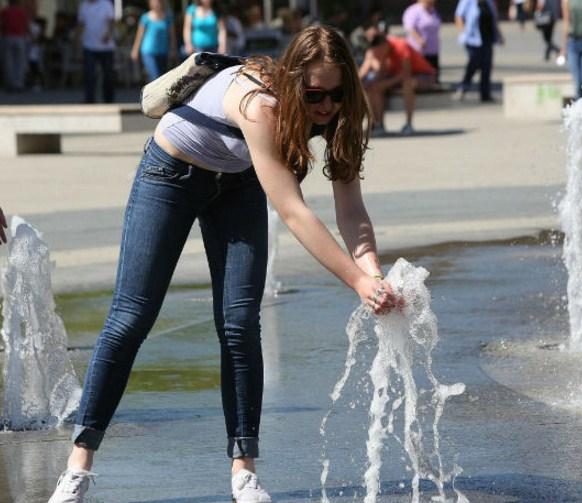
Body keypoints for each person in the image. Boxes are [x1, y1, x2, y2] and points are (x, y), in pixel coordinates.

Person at [46, 25, 399, 503]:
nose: (326, 107)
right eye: (315, 94)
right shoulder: (261, 104)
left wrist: (373, 271)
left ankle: (244, 472)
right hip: (171, 171)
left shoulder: (343, 116)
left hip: (238, 183)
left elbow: (351, 209)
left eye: (337, 94)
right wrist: (356, 281)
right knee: (131, 317)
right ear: (294, 82)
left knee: (239, 322)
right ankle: (79, 465)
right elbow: (293, 211)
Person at [358, 34, 436, 136]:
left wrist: (384, 84)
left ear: (385, 45)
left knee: (407, 84)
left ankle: (409, 124)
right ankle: (378, 124)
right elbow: (381, 73)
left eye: (380, 52)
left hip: (423, 75)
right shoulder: (380, 50)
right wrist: (373, 83)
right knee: (373, 86)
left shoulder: (401, 45)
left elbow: (405, 74)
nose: (379, 55)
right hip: (398, 76)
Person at [454, 0, 504, 103]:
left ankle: (485, 94)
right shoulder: (467, 1)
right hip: (472, 39)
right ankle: (463, 87)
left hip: (487, 38)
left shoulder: (489, 2)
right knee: (474, 64)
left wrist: (499, 35)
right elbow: (459, 16)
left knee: (486, 67)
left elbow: (494, 19)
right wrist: (463, 31)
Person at [78, 0, 116, 103]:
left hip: (106, 47)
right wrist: (79, 40)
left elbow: (111, 21)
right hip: (89, 45)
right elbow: (81, 23)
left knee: (107, 74)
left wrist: (108, 33)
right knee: (89, 74)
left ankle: (109, 100)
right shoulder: (84, 5)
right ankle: (89, 100)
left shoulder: (106, 4)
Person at [130, 0, 176, 82]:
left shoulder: (168, 17)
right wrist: (135, 50)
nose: (157, 4)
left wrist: (173, 49)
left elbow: (172, 36)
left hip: (163, 51)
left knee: (163, 77)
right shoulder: (145, 18)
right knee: (155, 76)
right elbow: (140, 35)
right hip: (148, 51)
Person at [402, 0, 442, 82]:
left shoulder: (433, 10)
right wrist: (419, 39)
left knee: (434, 73)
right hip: (418, 50)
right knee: (421, 74)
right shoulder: (413, 11)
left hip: (433, 49)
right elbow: (409, 27)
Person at [0, 0, 29, 93]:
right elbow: (26, 25)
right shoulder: (22, 11)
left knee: (8, 62)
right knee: (19, 62)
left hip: (8, 36)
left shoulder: (5, 11)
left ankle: (11, 84)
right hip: (20, 37)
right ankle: (19, 83)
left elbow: (2, 23)